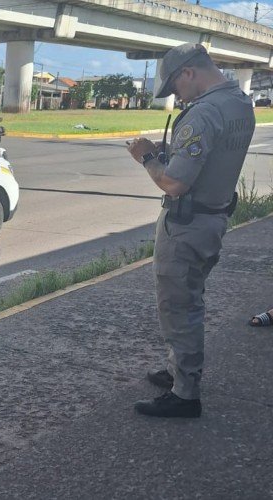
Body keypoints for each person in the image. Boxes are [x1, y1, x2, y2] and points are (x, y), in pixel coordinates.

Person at [126, 43, 255, 418]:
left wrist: (147, 156)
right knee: (190, 298)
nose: (175, 95)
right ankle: (178, 370)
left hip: (187, 223)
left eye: (175, 87)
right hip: (213, 217)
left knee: (178, 305)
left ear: (188, 73)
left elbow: (173, 183)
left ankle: (185, 394)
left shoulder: (204, 113)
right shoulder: (239, 103)